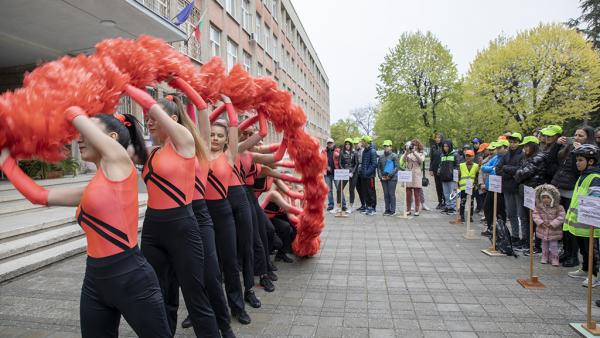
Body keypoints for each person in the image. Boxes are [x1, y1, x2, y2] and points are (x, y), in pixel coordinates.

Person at [0, 109, 172, 338]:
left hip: (132, 278)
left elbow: (74, 114)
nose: (79, 137)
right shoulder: (91, 189)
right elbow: (38, 196)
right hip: (94, 281)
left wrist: (57, 102)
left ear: (111, 139)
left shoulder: (121, 163)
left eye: (86, 130)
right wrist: (5, 158)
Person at [127, 87, 220, 336]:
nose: (149, 123)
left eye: (153, 119)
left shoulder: (185, 143)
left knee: (195, 296)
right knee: (160, 297)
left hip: (182, 226)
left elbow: (163, 111)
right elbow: (114, 149)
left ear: (173, 120)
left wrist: (127, 85)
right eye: (147, 120)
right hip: (152, 230)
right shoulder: (151, 152)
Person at [168, 81, 236, 337]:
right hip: (174, 217)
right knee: (183, 277)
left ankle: (224, 324)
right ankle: (193, 315)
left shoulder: (203, 151)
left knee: (211, 274)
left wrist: (181, 83)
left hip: (199, 213)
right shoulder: (162, 154)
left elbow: (202, 109)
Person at [204, 114, 253, 324]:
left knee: (230, 263)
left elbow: (234, 126)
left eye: (219, 136)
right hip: (202, 213)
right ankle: (204, 309)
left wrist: (228, 102)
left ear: (226, 140)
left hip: (223, 212)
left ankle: (237, 307)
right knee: (206, 265)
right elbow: (201, 121)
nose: (215, 138)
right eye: (212, 134)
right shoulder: (200, 154)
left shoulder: (230, 155)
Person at [553, 126, 597, 267]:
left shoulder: (590, 156)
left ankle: (576, 258)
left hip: (574, 192)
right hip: (562, 188)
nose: (576, 138)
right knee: (567, 227)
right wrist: (558, 145)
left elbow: (576, 169)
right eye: (575, 135)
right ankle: (567, 252)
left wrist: (576, 153)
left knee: (580, 235)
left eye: (581, 136)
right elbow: (554, 160)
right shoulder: (568, 149)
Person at [564, 144, 600, 288]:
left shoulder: (595, 177)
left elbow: (595, 200)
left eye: (580, 160)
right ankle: (585, 269)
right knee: (584, 250)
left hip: (591, 225)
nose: (577, 163)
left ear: (590, 161)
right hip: (580, 224)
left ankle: (595, 275)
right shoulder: (583, 176)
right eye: (577, 160)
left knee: (593, 251)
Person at [514, 136, 548, 254]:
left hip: (534, 191)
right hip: (526, 190)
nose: (525, 148)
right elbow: (519, 172)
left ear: (533, 146)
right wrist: (518, 173)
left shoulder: (539, 157)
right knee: (525, 218)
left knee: (535, 219)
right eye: (524, 146)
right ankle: (527, 242)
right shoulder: (526, 157)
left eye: (527, 146)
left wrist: (518, 174)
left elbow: (523, 173)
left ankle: (536, 245)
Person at [496, 132, 524, 247]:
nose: (512, 144)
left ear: (519, 143)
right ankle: (515, 236)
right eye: (511, 142)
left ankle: (524, 238)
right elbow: (498, 170)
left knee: (521, 215)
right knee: (511, 213)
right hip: (507, 187)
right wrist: (509, 173)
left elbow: (520, 170)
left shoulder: (522, 155)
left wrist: (506, 168)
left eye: (515, 142)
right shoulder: (505, 155)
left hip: (517, 188)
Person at [480, 141, 509, 236]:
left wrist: (493, 169)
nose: (497, 150)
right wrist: (492, 168)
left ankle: (501, 229)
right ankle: (490, 227)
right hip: (491, 186)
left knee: (500, 210)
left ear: (505, 148)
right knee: (487, 207)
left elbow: (499, 170)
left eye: (499, 148)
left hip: (500, 187)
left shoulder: (506, 158)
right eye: (497, 148)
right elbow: (484, 167)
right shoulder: (495, 157)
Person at [532, 184, 565, 266]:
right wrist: (540, 222)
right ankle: (544, 256)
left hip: (554, 230)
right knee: (544, 244)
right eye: (543, 197)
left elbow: (561, 217)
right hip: (543, 229)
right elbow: (535, 215)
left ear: (553, 198)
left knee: (554, 245)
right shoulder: (539, 207)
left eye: (548, 197)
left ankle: (554, 258)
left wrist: (553, 224)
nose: (545, 200)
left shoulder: (558, 207)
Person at [402, 139, 425, 216]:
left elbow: (421, 161)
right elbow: (403, 160)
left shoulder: (421, 154)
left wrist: (414, 152)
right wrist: (406, 152)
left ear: (418, 146)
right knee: (408, 193)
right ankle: (408, 209)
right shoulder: (409, 154)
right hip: (409, 174)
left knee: (416, 193)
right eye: (412, 145)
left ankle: (417, 210)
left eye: (414, 145)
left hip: (416, 174)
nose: (413, 146)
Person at [377, 140, 399, 216]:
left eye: (387, 146)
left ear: (391, 147)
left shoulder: (394, 156)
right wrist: (380, 176)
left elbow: (396, 167)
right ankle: (387, 209)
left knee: (391, 194)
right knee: (386, 194)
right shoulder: (381, 157)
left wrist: (389, 175)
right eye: (385, 146)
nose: (386, 147)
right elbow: (378, 168)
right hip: (383, 178)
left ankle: (393, 210)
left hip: (392, 178)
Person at [457, 150, 479, 223]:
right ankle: (462, 216)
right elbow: (458, 175)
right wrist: (457, 184)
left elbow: (477, 176)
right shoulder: (461, 165)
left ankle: (470, 216)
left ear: (473, 157)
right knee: (463, 201)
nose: (468, 158)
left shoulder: (476, 166)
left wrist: (476, 184)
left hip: (472, 187)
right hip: (463, 187)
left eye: (470, 156)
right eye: (467, 156)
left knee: (471, 202)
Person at [359, 135, 378, 216]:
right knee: (365, 192)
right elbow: (363, 164)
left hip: (370, 177)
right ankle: (368, 206)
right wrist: (363, 173)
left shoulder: (372, 151)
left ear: (366, 142)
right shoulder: (364, 151)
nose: (361, 143)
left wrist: (366, 173)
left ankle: (373, 208)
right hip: (364, 176)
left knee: (371, 192)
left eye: (362, 141)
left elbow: (374, 165)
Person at [438, 140, 458, 213]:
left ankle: (453, 207)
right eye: (444, 146)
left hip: (451, 177)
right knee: (446, 193)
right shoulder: (442, 155)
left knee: (452, 193)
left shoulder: (455, 154)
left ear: (450, 146)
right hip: (444, 177)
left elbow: (457, 165)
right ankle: (448, 206)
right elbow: (440, 164)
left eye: (446, 146)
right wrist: (439, 170)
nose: (445, 148)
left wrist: (455, 175)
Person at [338, 138, 356, 212]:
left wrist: (352, 172)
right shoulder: (342, 152)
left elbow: (356, 163)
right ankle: (339, 206)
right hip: (344, 173)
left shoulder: (354, 153)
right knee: (339, 189)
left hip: (352, 173)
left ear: (351, 145)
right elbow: (340, 163)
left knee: (351, 189)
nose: (347, 145)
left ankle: (351, 207)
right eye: (346, 144)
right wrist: (343, 171)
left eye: (349, 144)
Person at [322, 138, 340, 212]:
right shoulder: (323, 151)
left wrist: (338, 155)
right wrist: (326, 167)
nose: (330, 144)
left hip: (337, 173)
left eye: (331, 143)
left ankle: (342, 205)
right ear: (327, 144)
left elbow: (342, 159)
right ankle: (331, 205)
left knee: (339, 189)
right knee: (329, 190)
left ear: (333, 143)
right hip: (327, 174)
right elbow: (320, 161)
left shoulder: (338, 150)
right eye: (328, 143)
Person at [429, 132, 445, 209]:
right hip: (435, 169)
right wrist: (431, 169)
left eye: (439, 137)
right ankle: (440, 202)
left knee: (443, 186)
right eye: (436, 137)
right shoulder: (433, 147)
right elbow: (431, 159)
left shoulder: (444, 146)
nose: (437, 139)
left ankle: (445, 201)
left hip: (443, 170)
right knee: (438, 186)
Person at [353, 137, 366, 212]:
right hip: (356, 173)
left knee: (364, 189)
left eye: (357, 143)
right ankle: (362, 204)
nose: (355, 145)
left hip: (362, 172)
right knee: (358, 189)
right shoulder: (355, 151)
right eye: (354, 144)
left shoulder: (363, 151)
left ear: (360, 143)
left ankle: (366, 205)